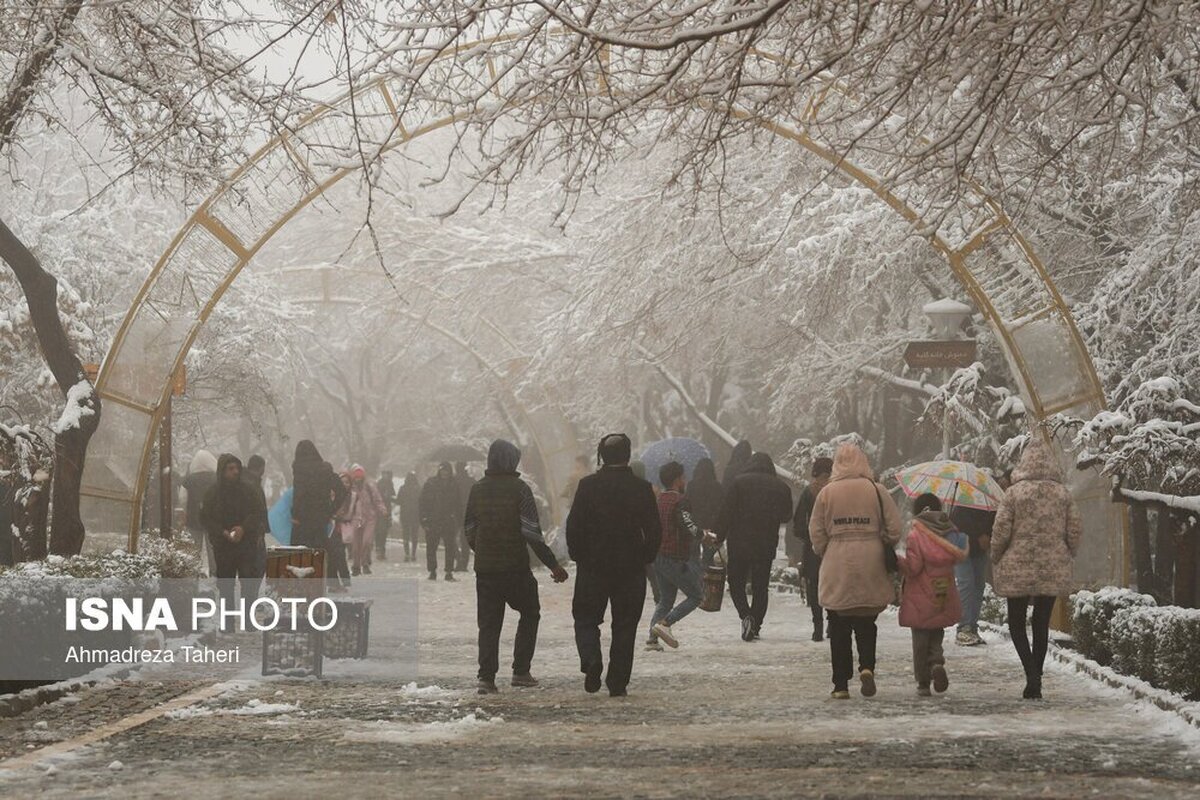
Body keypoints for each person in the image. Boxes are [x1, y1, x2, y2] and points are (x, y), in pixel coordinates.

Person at [464, 439, 569, 694]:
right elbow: (532, 532)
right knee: (530, 612)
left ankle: (486, 678)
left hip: (486, 570)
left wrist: (483, 551)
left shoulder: (477, 489)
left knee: (488, 623)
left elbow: (469, 529)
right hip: (515, 568)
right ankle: (521, 670)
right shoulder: (520, 489)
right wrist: (553, 565)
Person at [566, 433, 661, 697]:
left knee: (585, 618)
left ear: (602, 456)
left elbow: (573, 526)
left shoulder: (588, 486)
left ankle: (591, 659)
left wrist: (578, 555)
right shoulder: (641, 489)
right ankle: (617, 681)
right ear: (628, 455)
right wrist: (645, 557)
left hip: (592, 567)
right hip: (630, 569)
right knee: (625, 625)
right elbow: (654, 530)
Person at [991, 438, 1082, 700]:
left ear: (1024, 462)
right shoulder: (1063, 494)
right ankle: (1037, 676)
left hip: (1017, 565)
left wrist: (996, 556)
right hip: (1053, 565)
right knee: (1041, 622)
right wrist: (1068, 552)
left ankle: (1031, 673)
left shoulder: (1014, 493)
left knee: (1016, 624)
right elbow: (1074, 529)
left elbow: (1001, 531)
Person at [810, 444, 903, 700]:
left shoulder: (827, 493)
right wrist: (881, 539)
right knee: (866, 619)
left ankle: (840, 684)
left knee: (838, 624)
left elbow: (816, 531)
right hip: (870, 557)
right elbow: (895, 528)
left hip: (837, 559)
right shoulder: (876, 490)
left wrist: (826, 550)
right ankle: (867, 667)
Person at [711, 452, 792, 642]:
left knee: (736, 582)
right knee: (760, 586)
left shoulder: (739, 483)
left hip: (739, 543)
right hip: (765, 544)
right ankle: (755, 624)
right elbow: (786, 516)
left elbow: (726, 512)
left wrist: (718, 536)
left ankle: (745, 615)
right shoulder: (781, 487)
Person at [898, 493, 968, 696]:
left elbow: (914, 567)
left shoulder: (915, 535)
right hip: (943, 592)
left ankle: (923, 682)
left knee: (920, 640)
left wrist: (897, 561)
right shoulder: (951, 532)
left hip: (920, 595)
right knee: (936, 634)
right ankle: (937, 663)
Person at [646, 461, 706, 651]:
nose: (685, 480)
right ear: (677, 479)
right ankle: (665, 624)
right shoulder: (680, 501)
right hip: (674, 556)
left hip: (659, 556)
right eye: (683, 477)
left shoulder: (659, 500)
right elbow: (687, 524)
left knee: (665, 599)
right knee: (696, 596)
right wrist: (703, 535)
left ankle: (652, 639)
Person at [199, 454, 267, 607]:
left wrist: (243, 528)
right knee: (225, 585)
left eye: (237, 468)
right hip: (223, 546)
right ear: (222, 471)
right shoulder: (213, 493)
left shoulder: (248, 491)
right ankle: (227, 622)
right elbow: (205, 518)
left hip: (246, 544)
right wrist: (221, 531)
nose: (235, 472)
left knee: (248, 583)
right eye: (230, 469)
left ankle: (248, 620)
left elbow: (258, 512)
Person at [792, 457, 833, 642]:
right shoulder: (837, 491)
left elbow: (798, 524)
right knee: (833, 585)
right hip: (834, 546)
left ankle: (817, 626)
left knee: (815, 585)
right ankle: (832, 624)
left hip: (813, 547)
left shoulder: (809, 492)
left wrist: (809, 537)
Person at [950, 504, 996, 646]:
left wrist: (988, 535)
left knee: (978, 587)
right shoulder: (962, 504)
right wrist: (979, 535)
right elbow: (958, 522)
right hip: (962, 547)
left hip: (980, 550)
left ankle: (972, 626)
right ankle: (964, 627)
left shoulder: (990, 505)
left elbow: (994, 521)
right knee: (966, 584)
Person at [290, 440, 347, 551]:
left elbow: (299, 496)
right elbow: (341, 491)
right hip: (320, 519)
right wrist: (330, 510)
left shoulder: (299, 470)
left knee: (299, 555)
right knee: (318, 553)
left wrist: (295, 515)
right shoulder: (325, 470)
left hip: (302, 521)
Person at [420, 462, 463, 581]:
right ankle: (432, 571)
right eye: (443, 470)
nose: (445, 473)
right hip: (433, 519)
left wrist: (458, 520)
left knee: (450, 547)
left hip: (449, 520)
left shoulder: (454, 485)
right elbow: (423, 502)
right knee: (431, 547)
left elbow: (458, 504)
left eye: (447, 471)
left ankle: (449, 571)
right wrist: (424, 520)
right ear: (439, 471)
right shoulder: (431, 483)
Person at [343, 464, 386, 577]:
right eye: (356, 477)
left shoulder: (370, 486)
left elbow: (377, 499)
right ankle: (356, 566)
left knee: (367, 542)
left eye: (360, 477)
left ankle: (365, 563)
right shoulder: (350, 487)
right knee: (356, 545)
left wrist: (382, 509)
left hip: (370, 518)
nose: (358, 479)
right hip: (355, 518)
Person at [180, 449, 218, 571]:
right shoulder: (217, 478)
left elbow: (182, 498)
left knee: (194, 549)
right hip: (213, 520)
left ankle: (193, 575)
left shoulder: (189, 479)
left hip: (193, 518)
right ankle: (214, 575)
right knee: (213, 550)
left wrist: (186, 511)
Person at [686, 457, 724, 567]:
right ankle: (707, 579)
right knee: (708, 557)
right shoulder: (717, 487)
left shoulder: (691, 485)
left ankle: (695, 579)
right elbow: (721, 508)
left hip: (695, 526)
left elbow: (686, 505)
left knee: (693, 556)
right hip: (711, 526)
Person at [243, 454, 270, 577]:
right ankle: (250, 594)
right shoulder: (254, 485)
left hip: (243, 530)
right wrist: (260, 531)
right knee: (259, 564)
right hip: (254, 532)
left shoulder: (241, 481)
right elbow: (259, 511)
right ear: (261, 468)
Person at [328, 471, 355, 591]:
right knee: (334, 556)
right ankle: (337, 582)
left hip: (344, 529)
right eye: (342, 482)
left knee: (338, 555)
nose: (345, 484)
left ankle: (340, 582)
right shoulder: (332, 495)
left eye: (347, 482)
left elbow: (356, 514)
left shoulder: (353, 497)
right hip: (331, 529)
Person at [455, 461, 476, 572]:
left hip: (453, 512)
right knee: (465, 540)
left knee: (450, 538)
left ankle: (459, 560)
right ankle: (464, 563)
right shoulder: (471, 481)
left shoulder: (452, 481)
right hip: (468, 511)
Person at [398, 470, 421, 562]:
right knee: (414, 535)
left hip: (405, 514)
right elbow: (422, 501)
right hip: (416, 515)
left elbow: (399, 501)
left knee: (406, 534)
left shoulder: (403, 488)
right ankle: (413, 554)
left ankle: (407, 554)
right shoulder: (418, 489)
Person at [375, 470, 396, 562]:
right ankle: (379, 549)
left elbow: (392, 495)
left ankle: (381, 549)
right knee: (380, 531)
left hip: (387, 511)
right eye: (384, 474)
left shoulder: (390, 484)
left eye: (387, 474)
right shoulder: (379, 484)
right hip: (379, 511)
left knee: (384, 531)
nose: (385, 476)